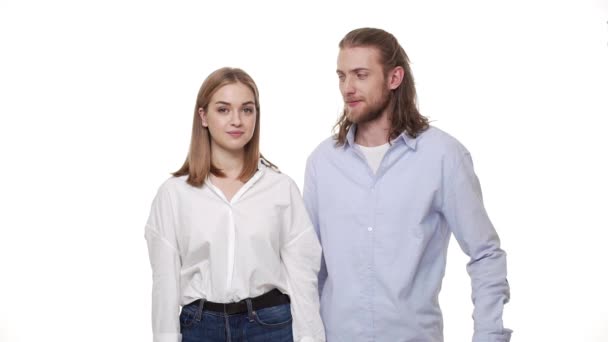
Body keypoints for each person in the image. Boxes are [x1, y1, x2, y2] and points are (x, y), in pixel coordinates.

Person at [303, 28, 511, 342]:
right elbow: (309, 268)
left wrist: (489, 336)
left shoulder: (443, 156)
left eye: (360, 75)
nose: (348, 88)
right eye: (341, 76)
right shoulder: (323, 162)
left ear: (394, 77)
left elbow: (485, 254)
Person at [145, 67, 325, 342]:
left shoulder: (280, 189)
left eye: (247, 109)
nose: (237, 120)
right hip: (200, 327)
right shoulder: (174, 194)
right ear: (203, 116)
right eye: (223, 109)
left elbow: (303, 275)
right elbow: (165, 284)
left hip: (269, 326)